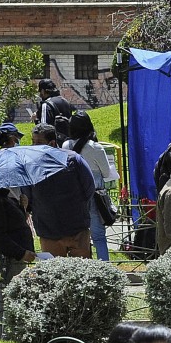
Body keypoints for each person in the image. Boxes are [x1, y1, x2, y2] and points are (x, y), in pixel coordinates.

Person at [26, 134, 95, 258]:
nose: (34, 146)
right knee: (53, 274)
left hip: (77, 228)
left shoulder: (74, 159)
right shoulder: (31, 164)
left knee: (85, 273)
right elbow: (27, 195)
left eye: (39, 142)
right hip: (48, 230)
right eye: (33, 141)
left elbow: (89, 188)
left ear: (52, 143)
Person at [64, 111, 120, 260]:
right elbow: (107, 173)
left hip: (74, 197)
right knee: (99, 237)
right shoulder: (96, 147)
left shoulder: (65, 145)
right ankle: (104, 272)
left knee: (78, 238)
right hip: (94, 196)